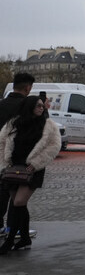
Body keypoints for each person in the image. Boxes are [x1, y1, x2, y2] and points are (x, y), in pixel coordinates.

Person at [0, 95, 60, 255]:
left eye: (42, 106)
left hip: (32, 169)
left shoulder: (48, 125)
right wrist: (4, 164)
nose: (41, 108)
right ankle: (25, 238)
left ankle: (10, 240)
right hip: (13, 167)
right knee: (19, 204)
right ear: (29, 107)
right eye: (38, 105)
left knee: (19, 202)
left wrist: (36, 163)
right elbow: (2, 142)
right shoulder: (13, 123)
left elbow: (54, 146)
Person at [0, 73, 33, 235]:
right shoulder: (28, 107)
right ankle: (14, 228)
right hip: (20, 156)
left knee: (1, 191)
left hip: (1, 154)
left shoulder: (1, 104)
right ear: (28, 88)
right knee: (17, 192)